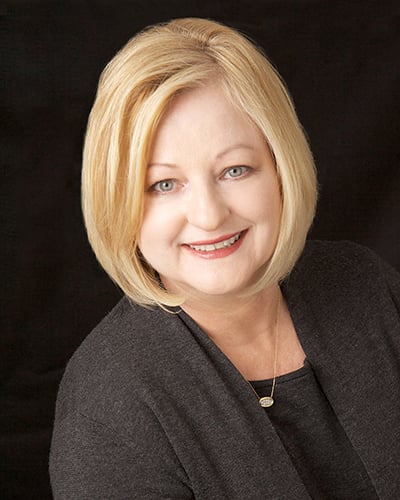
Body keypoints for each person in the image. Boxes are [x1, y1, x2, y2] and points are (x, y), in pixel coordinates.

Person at [49, 17, 400, 499]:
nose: (209, 215)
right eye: (163, 184)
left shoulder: (365, 285)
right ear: (118, 202)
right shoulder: (108, 403)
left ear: (281, 168)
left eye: (235, 169)